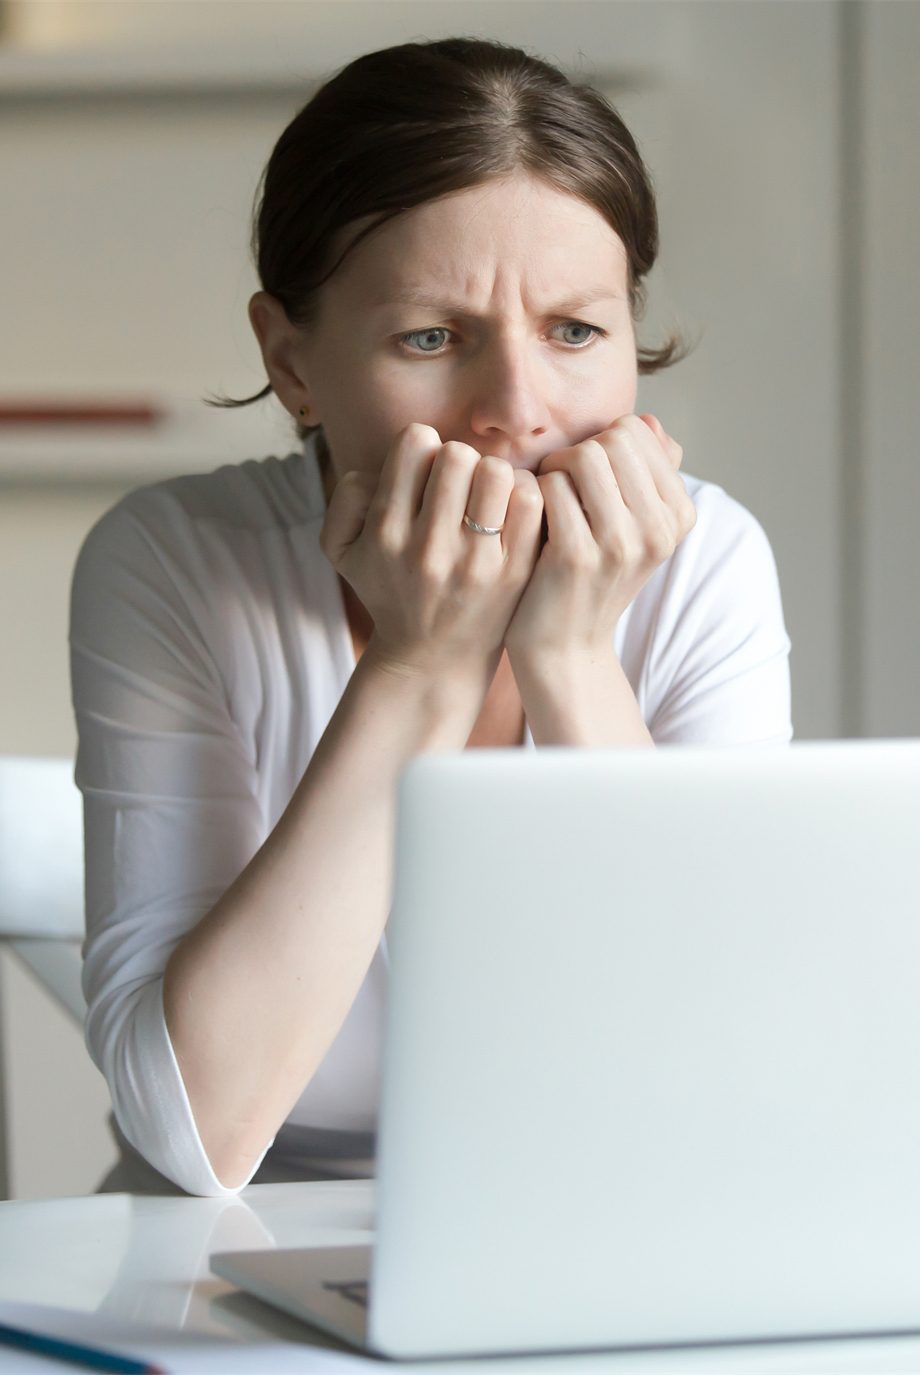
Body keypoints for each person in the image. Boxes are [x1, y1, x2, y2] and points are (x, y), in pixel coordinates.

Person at [70, 37, 792, 1198]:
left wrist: (565, 654)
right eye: (429, 337)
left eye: (573, 331)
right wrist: (419, 665)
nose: (516, 411)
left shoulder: (704, 564)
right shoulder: (172, 561)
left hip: (592, 1225)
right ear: (291, 362)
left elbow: (723, 1077)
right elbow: (193, 1133)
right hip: (234, 1256)